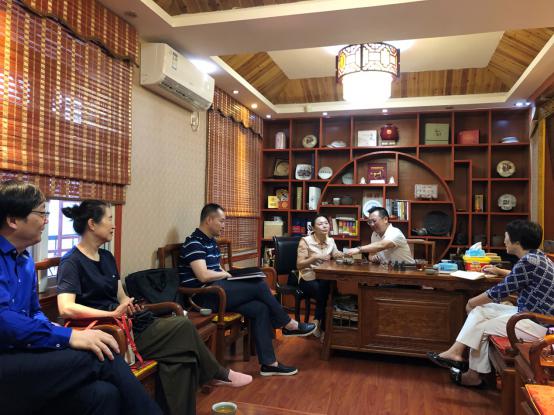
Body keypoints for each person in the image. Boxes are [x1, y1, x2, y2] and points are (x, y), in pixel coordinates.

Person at [56, 200, 252, 415]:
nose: (113, 225)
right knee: (182, 326)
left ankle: (209, 379)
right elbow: (66, 308)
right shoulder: (71, 262)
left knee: (181, 360)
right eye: (109, 219)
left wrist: (127, 305)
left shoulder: (107, 257)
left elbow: (121, 295)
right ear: (92, 224)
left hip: (128, 323)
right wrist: (111, 313)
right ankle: (216, 373)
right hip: (108, 334)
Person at [0, 180, 162, 415]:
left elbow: (34, 312)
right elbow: (4, 321)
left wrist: (55, 330)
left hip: (27, 350)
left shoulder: (25, 262)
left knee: (105, 394)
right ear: (13, 220)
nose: (46, 220)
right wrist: (69, 335)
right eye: (41, 213)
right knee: (100, 355)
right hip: (6, 358)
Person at [178, 203, 316, 376]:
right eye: (221, 221)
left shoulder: (210, 242)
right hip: (203, 298)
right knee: (259, 284)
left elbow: (216, 270)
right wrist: (226, 274)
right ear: (209, 220)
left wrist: (230, 275)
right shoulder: (194, 243)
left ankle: (269, 364)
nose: (223, 225)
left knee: (260, 308)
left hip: (218, 291)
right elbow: (203, 276)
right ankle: (288, 324)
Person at [427, 220, 553, 387]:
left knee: (481, 326)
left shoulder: (528, 262)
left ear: (516, 241)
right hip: (528, 314)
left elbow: (500, 291)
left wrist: (471, 301)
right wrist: (499, 271)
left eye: (506, 237)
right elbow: (520, 276)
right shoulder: (537, 257)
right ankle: (455, 353)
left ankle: (473, 375)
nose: (504, 241)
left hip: (537, 323)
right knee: (481, 311)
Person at [296, 215, 344, 338]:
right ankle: (324, 329)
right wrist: (314, 257)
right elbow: (299, 264)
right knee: (327, 292)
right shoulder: (305, 241)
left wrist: (343, 254)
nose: (324, 226)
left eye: (326, 223)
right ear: (313, 228)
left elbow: (335, 254)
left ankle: (318, 323)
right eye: (320, 224)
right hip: (307, 278)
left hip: (324, 278)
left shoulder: (331, 241)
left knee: (327, 286)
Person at [344, 207, 413, 263]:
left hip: (406, 270)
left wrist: (358, 249)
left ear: (385, 219)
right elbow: (371, 255)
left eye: (374, 221)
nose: (371, 224)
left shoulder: (395, 232)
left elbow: (382, 245)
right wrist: (373, 258)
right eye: (369, 222)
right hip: (387, 270)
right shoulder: (374, 234)